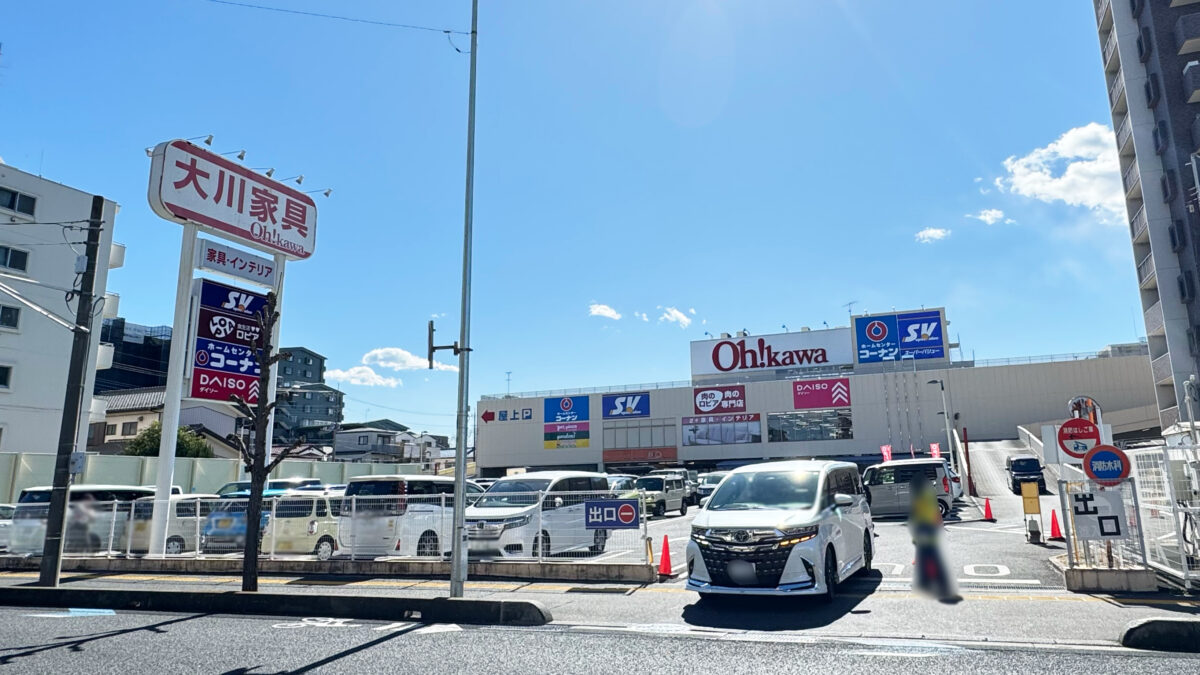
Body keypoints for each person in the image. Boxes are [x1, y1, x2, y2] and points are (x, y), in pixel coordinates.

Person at [909, 475, 958, 602]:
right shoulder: (928, 496)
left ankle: (933, 582)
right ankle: (928, 582)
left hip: (925, 529)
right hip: (930, 529)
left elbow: (918, 516)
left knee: (929, 557)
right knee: (928, 557)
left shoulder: (920, 498)